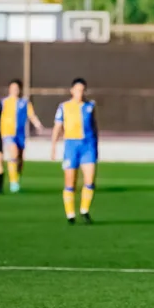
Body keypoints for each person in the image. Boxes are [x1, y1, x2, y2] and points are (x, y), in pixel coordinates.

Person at [51, 78, 98, 225]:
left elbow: (94, 125)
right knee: (70, 181)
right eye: (77, 90)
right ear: (72, 91)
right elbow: (57, 127)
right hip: (71, 146)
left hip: (88, 146)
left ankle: (84, 211)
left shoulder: (90, 106)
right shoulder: (64, 107)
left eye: (82, 90)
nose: (80, 93)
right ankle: (70, 214)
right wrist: (53, 146)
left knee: (90, 180)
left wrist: (96, 145)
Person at [1, 79, 44, 193]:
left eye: (16, 88)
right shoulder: (4, 102)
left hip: (20, 135)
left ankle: (16, 177)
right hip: (8, 133)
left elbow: (31, 115)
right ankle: (13, 183)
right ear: (9, 89)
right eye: (12, 88)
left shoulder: (24, 103)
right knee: (13, 153)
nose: (14, 90)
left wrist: (38, 125)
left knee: (20, 160)